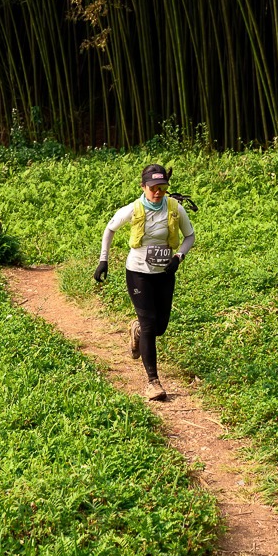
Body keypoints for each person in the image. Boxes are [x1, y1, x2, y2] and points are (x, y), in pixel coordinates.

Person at [93, 164, 194, 400]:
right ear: (143, 187)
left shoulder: (175, 208)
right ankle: (153, 382)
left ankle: (136, 329)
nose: (157, 192)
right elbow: (110, 229)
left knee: (159, 327)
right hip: (138, 272)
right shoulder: (133, 209)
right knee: (149, 324)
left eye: (162, 188)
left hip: (165, 273)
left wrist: (178, 257)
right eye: (152, 188)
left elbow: (190, 236)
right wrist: (103, 260)